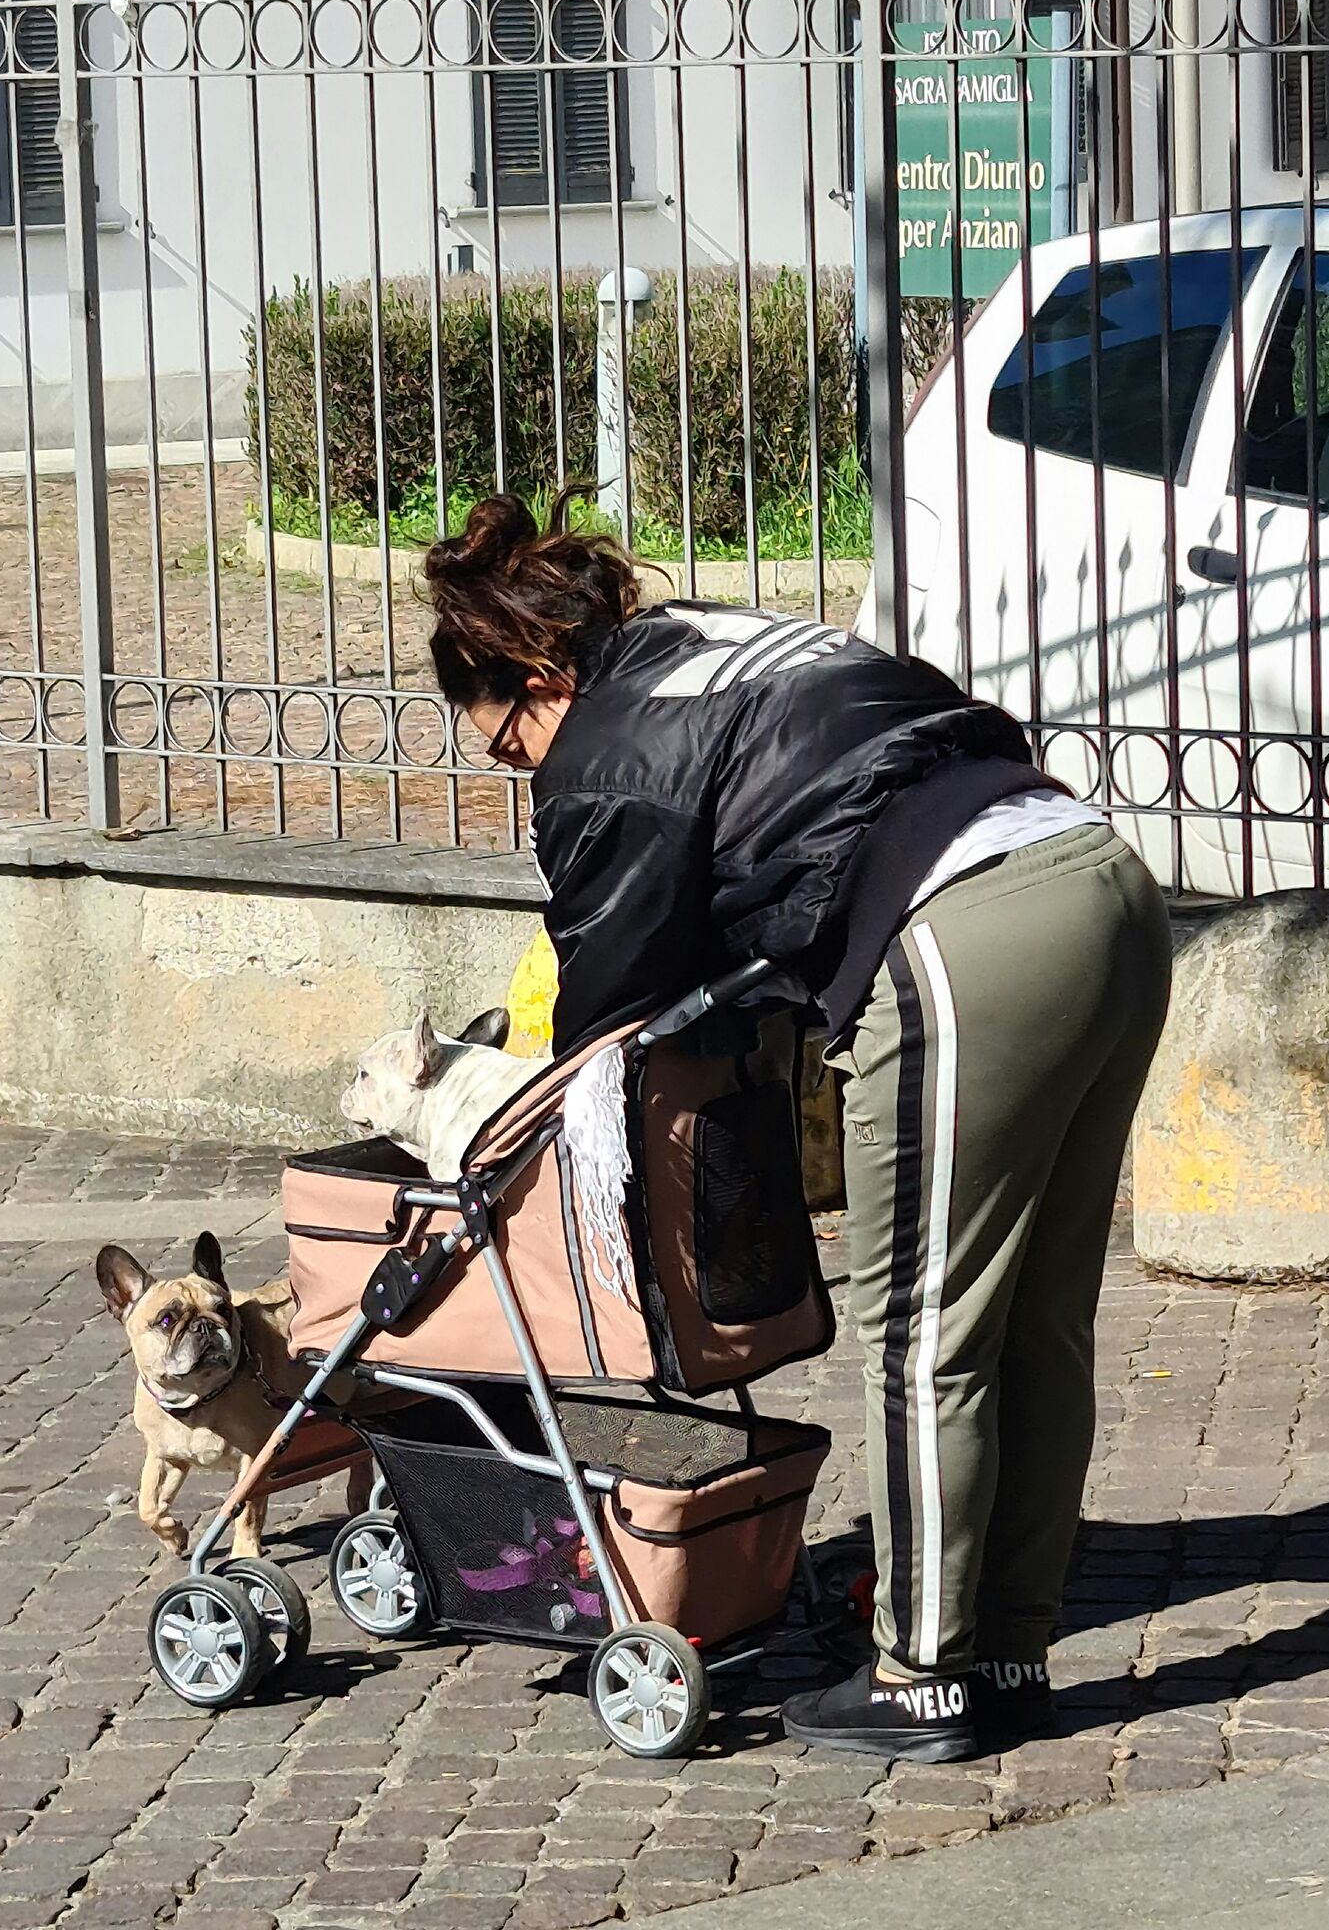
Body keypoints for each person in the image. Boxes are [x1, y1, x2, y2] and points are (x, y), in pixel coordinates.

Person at [423, 494, 1172, 1765]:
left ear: (541, 679)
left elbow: (615, 1005)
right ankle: (1006, 1652)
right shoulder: (705, 636)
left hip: (964, 940)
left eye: (507, 743)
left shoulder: (602, 755)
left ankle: (920, 1675)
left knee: (922, 1339)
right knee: (1038, 1323)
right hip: (1103, 886)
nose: (518, 770)